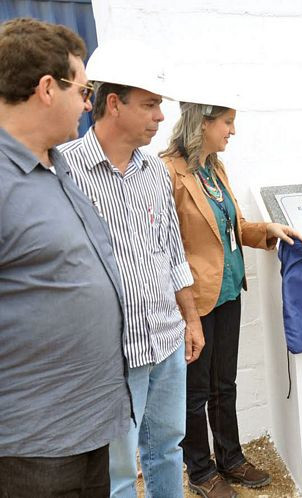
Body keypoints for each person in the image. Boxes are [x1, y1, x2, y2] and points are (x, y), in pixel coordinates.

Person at [59, 41, 205, 498]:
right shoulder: (64, 172)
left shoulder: (155, 173)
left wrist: (191, 317)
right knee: (117, 469)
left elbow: (171, 251)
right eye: (150, 104)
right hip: (111, 355)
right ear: (114, 103)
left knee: (167, 448)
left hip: (164, 341)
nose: (161, 117)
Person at [0, 18, 131, 496]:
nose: (88, 102)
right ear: (47, 88)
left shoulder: (57, 165)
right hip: (31, 449)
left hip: (85, 426)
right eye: (84, 89)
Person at [160, 93, 302, 498]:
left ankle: (230, 458)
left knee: (225, 382)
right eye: (227, 122)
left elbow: (234, 226)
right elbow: (165, 245)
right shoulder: (167, 172)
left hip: (227, 292)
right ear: (202, 123)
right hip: (194, 299)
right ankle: (201, 470)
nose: (232, 131)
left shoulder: (215, 168)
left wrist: (267, 230)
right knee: (195, 390)